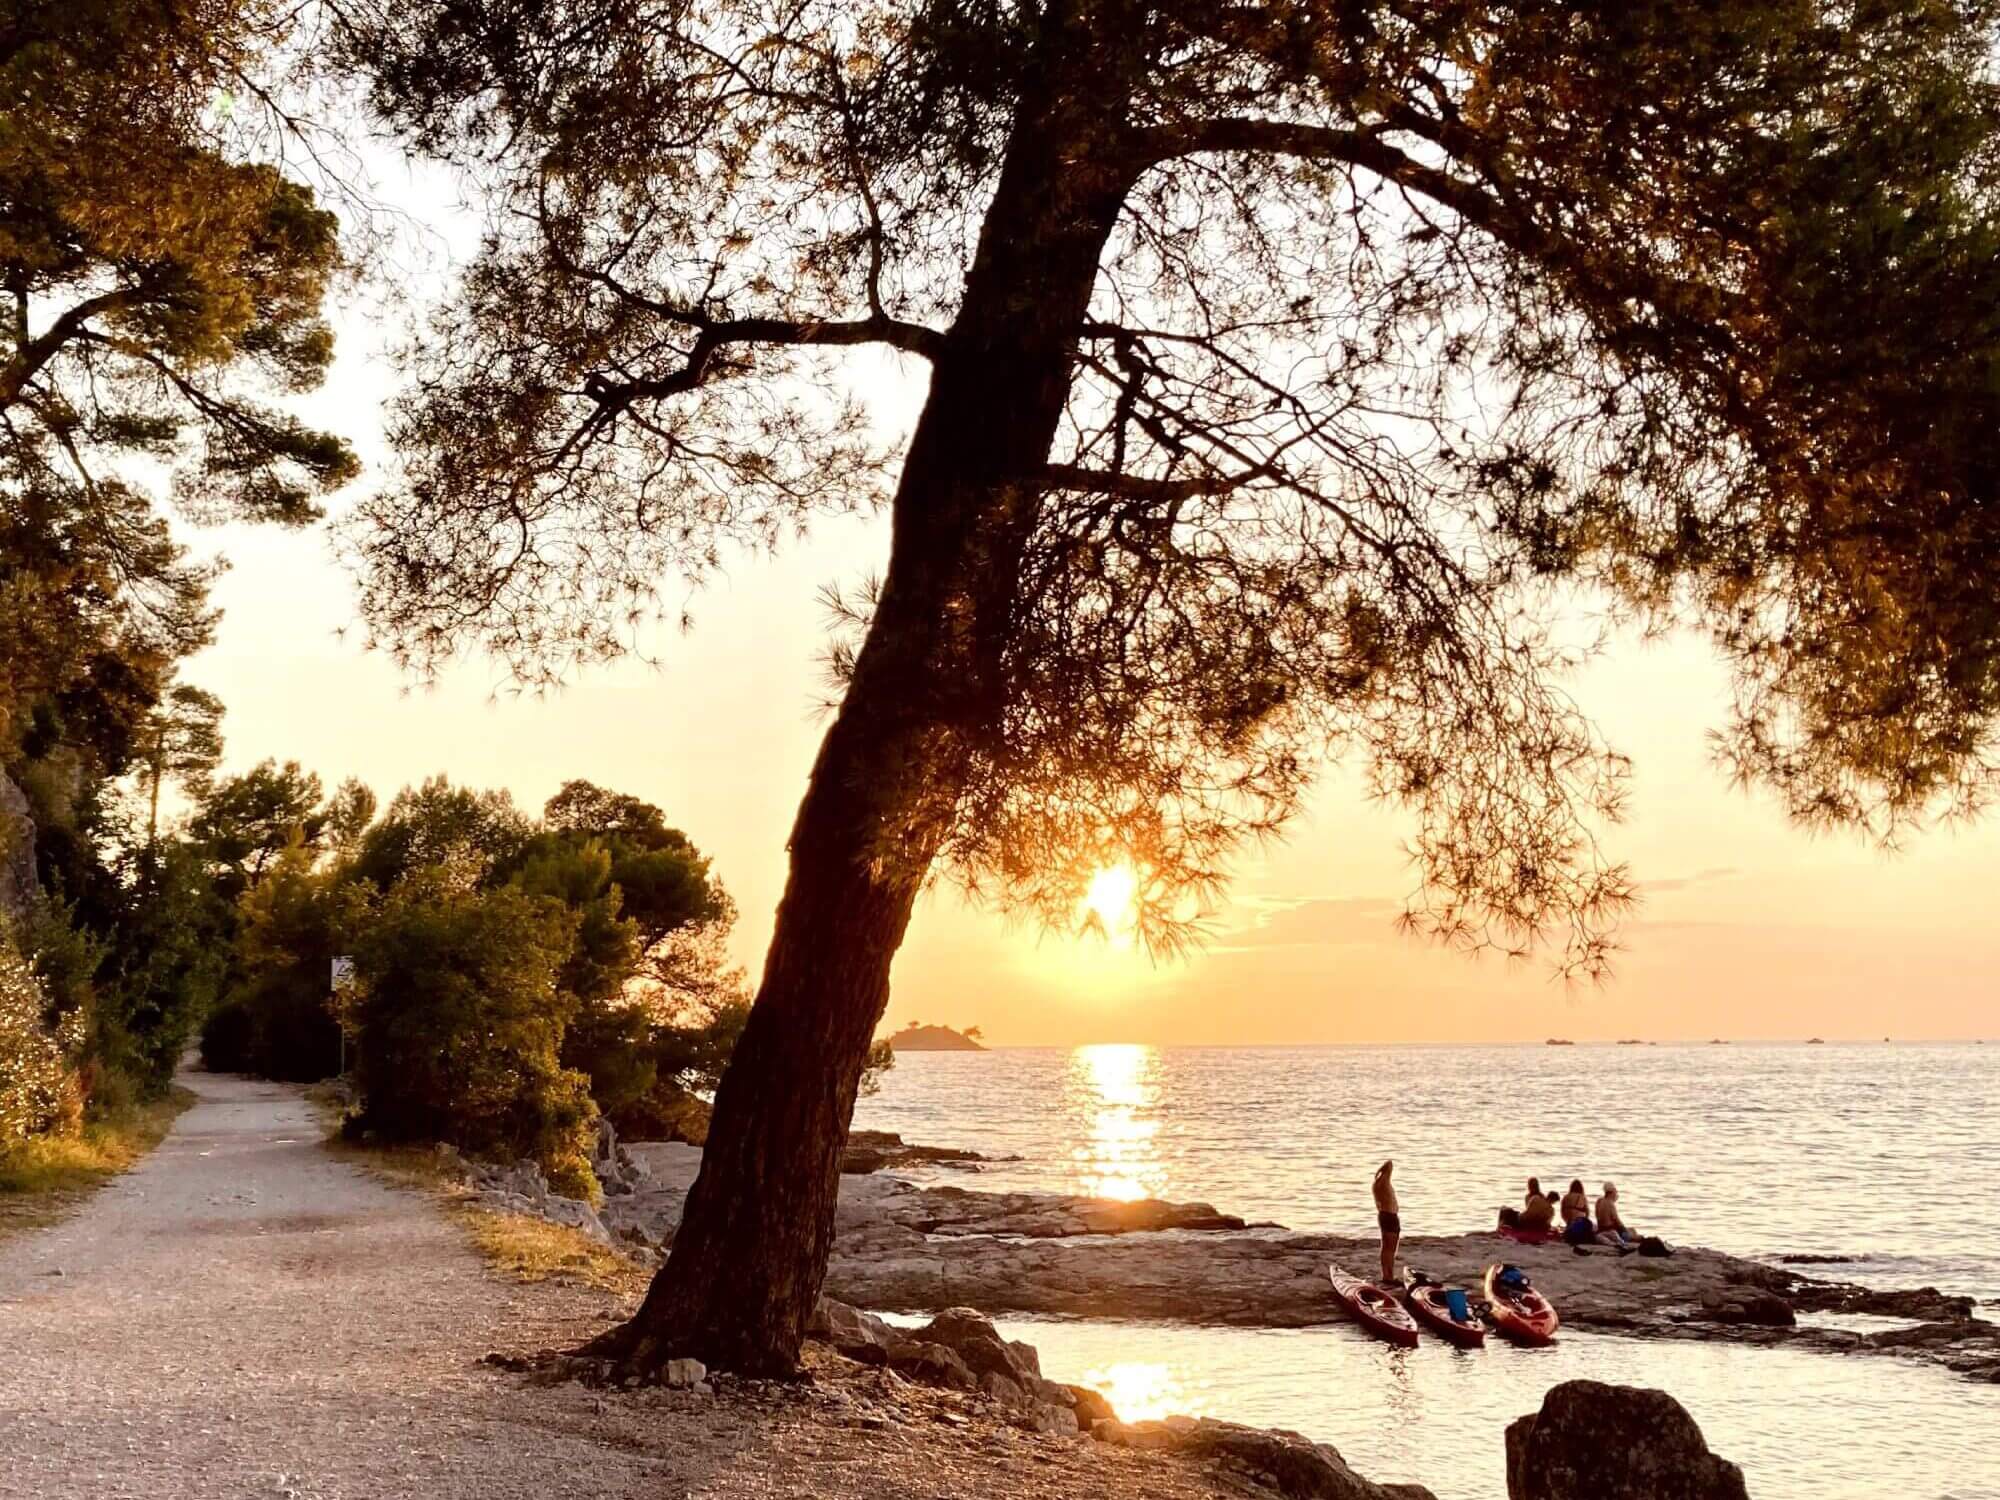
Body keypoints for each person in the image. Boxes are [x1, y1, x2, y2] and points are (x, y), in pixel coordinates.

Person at [1373, 1160, 1400, 1282]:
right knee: (1390, 1249)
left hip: (1385, 1215)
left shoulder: (1378, 1183)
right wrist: (1385, 1168)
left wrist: (1381, 1170)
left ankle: (1388, 1275)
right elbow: (1389, 1163)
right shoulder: (1384, 1183)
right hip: (1389, 1216)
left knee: (1387, 1248)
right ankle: (1388, 1276)